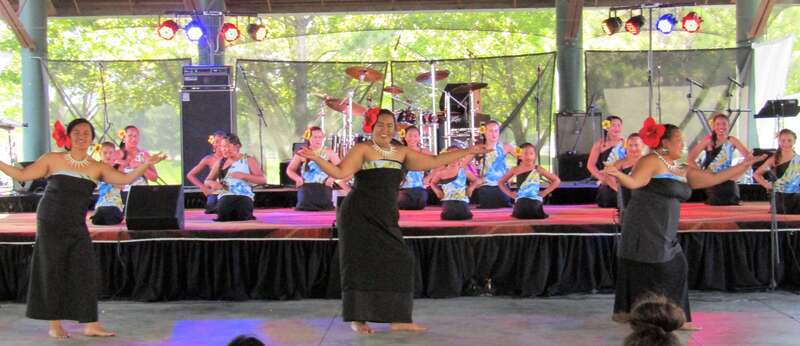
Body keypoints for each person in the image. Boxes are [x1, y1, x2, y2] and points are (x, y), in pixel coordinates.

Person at [297, 109, 489, 334]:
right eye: (380, 125)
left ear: (396, 128)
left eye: (390, 125)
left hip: (385, 215)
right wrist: (317, 158)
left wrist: (471, 150)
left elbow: (436, 160)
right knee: (359, 264)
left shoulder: (401, 152)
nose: (385, 129)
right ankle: (358, 319)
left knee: (402, 260)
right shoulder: (363, 149)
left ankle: (400, 319)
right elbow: (339, 172)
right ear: (371, 127)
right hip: (358, 214)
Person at [0, 118, 165, 338]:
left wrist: (146, 164)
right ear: (68, 136)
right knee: (52, 270)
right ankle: (55, 325)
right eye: (76, 132)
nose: (81, 136)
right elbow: (21, 175)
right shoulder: (52, 159)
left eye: (86, 133)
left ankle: (91, 324)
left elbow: (125, 178)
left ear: (91, 139)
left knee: (84, 270)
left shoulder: (96, 167)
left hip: (76, 224)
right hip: (50, 220)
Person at [604, 117, 764, 331]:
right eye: (679, 139)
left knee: (675, 267)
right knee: (662, 267)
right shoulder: (650, 161)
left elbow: (711, 178)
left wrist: (743, 165)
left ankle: (670, 317)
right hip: (644, 225)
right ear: (665, 143)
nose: (683, 143)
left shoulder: (678, 165)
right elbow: (635, 183)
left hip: (664, 226)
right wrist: (616, 174)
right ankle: (662, 317)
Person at [687, 113, 751, 205]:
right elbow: (690, 158)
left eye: (724, 124)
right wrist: (702, 174)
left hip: (729, 181)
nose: (721, 126)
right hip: (712, 182)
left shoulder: (732, 140)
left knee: (731, 204)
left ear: (728, 126)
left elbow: (749, 158)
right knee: (715, 203)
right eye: (718, 124)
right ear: (713, 127)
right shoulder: (708, 141)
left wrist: (738, 174)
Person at [206, 133, 266, 221]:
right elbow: (207, 180)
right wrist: (213, 183)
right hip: (226, 195)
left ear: (237, 146)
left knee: (242, 213)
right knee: (224, 213)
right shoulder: (220, 162)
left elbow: (263, 180)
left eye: (227, 146)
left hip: (244, 195)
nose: (224, 150)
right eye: (222, 147)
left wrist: (244, 176)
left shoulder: (249, 160)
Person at [286, 126, 348, 211]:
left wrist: (332, 178)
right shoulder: (302, 153)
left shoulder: (329, 153)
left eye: (320, 137)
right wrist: (297, 178)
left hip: (324, 189)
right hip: (306, 190)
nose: (318, 140)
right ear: (309, 138)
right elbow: (290, 170)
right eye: (315, 137)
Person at [498, 143, 561, 219]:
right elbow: (500, 182)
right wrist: (510, 194)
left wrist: (545, 192)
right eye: (525, 153)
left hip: (535, 200)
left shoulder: (538, 169)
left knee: (533, 207)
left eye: (531, 153)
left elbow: (556, 181)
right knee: (522, 207)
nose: (528, 156)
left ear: (535, 156)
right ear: (519, 156)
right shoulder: (515, 169)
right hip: (520, 201)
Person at [430, 146, 482, 220]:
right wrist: (437, 191)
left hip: (462, 202)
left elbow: (477, 180)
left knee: (463, 216)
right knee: (449, 216)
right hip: (448, 203)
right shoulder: (441, 173)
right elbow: (432, 183)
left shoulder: (464, 172)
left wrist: (471, 187)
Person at [754, 129, 799, 214]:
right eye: (783, 141)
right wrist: (767, 186)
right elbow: (756, 174)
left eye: (789, 140)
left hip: (796, 195)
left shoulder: (798, 159)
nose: (786, 143)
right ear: (779, 141)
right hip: (780, 196)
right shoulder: (774, 159)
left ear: (794, 141)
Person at [587, 115, 626, 208]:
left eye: (619, 125)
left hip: (623, 178)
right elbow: (590, 165)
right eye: (613, 125)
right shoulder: (599, 144)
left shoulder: (626, 143)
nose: (617, 128)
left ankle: (625, 194)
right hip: (607, 179)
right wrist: (601, 177)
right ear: (606, 127)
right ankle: (623, 194)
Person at [475, 120, 516, 208]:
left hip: (503, 188)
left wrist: (511, 175)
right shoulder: (478, 148)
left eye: (496, 131)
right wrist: (474, 179)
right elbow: (463, 164)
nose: (494, 134)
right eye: (490, 131)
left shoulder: (506, 147)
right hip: (486, 188)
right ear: (484, 132)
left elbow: (524, 158)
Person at [186, 130, 227, 214]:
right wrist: (204, 188)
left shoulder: (232, 157)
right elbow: (190, 175)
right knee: (212, 207)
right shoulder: (209, 159)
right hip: (215, 192)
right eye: (216, 142)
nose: (219, 144)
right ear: (213, 144)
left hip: (231, 191)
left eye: (221, 141)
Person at [398, 126, 433, 210]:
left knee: (419, 204)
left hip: (419, 188)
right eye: (410, 135)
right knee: (404, 203)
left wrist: (428, 177)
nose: (412, 138)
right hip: (403, 189)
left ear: (419, 137)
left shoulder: (425, 152)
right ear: (405, 137)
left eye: (415, 136)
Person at [90, 142, 125, 225]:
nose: (108, 156)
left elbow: (122, 185)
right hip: (102, 203)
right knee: (100, 215)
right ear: (100, 154)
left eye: (110, 153)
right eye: (105, 153)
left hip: (115, 203)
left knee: (111, 213)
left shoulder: (118, 169)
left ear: (115, 154)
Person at [118, 125, 159, 194]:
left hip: (143, 192)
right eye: (130, 136)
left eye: (136, 136)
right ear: (124, 138)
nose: (134, 139)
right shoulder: (117, 154)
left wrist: (141, 166)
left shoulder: (144, 154)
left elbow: (154, 178)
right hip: (123, 194)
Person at [609, 133, 647, 206]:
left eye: (636, 145)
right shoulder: (619, 163)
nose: (633, 148)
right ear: (626, 147)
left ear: (643, 146)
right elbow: (608, 177)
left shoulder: (649, 161)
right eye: (630, 145)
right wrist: (618, 189)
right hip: (624, 198)